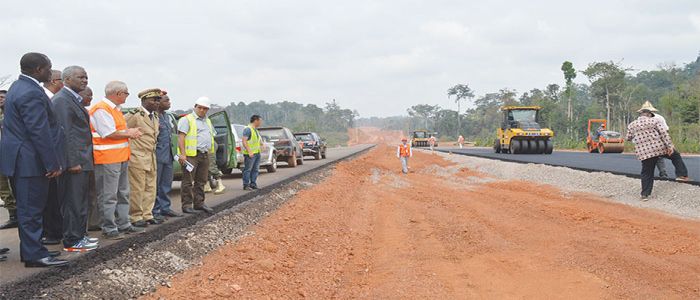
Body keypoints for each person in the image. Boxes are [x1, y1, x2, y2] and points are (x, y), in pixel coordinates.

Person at [0, 52, 67, 267]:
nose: (50, 71)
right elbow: (38, 130)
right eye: (49, 68)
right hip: (29, 161)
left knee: (31, 208)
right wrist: (52, 162)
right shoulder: (30, 92)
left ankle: (34, 249)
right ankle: (34, 256)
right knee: (31, 210)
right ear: (38, 69)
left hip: (24, 159)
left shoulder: (20, 87)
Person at [52, 66, 99, 252]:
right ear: (67, 79)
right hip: (75, 162)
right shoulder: (62, 100)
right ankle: (72, 240)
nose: (85, 80)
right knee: (73, 201)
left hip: (83, 159)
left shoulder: (73, 99)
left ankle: (80, 235)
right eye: (80, 77)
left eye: (86, 77)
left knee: (81, 200)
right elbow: (65, 133)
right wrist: (71, 162)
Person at [90, 81, 144, 240]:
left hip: (119, 157)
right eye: (126, 93)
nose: (127, 96)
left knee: (123, 192)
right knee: (108, 194)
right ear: (118, 93)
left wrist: (128, 132)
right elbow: (109, 133)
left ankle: (123, 223)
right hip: (107, 158)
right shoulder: (101, 109)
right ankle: (109, 227)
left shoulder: (115, 110)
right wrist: (130, 133)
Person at [626, 103, 686, 201]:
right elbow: (664, 134)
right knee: (676, 156)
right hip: (659, 148)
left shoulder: (632, 125)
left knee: (647, 172)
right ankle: (681, 175)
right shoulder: (655, 120)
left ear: (641, 114)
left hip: (644, 153)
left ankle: (645, 195)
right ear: (649, 114)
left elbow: (628, 138)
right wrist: (670, 146)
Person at [125, 88, 161, 227]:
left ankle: (147, 214)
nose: (157, 103)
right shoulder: (135, 115)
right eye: (154, 100)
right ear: (144, 100)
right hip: (137, 156)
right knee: (137, 188)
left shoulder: (155, 116)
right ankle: (135, 216)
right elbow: (121, 128)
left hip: (150, 156)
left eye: (158, 100)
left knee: (150, 187)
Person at [177, 97, 215, 214]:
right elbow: (181, 137)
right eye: (200, 108)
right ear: (195, 107)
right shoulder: (186, 120)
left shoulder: (207, 121)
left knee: (201, 180)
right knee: (188, 181)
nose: (202, 110)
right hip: (191, 155)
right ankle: (187, 205)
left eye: (205, 108)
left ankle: (199, 203)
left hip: (204, 154)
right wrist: (183, 154)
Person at [152, 91, 181, 219]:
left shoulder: (165, 116)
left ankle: (165, 208)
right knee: (155, 185)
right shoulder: (153, 117)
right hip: (157, 156)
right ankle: (155, 211)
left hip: (168, 155)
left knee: (166, 184)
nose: (169, 103)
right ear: (158, 103)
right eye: (166, 100)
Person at [79, 87, 101, 231]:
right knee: (83, 195)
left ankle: (93, 223)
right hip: (81, 159)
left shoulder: (87, 112)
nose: (91, 98)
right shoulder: (79, 112)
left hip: (92, 157)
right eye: (89, 95)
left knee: (93, 192)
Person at [0, 89, 18, 230]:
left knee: (15, 186)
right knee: (3, 188)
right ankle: (13, 215)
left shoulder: (15, 113)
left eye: (2, 97)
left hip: (13, 155)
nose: (0, 99)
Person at [241, 115, 263, 190]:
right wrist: (249, 151)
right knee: (248, 169)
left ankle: (253, 184)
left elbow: (257, 140)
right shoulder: (248, 129)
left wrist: (262, 144)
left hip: (257, 153)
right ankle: (246, 185)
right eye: (260, 121)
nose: (261, 122)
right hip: (250, 154)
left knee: (255, 169)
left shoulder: (255, 130)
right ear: (256, 121)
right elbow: (244, 141)